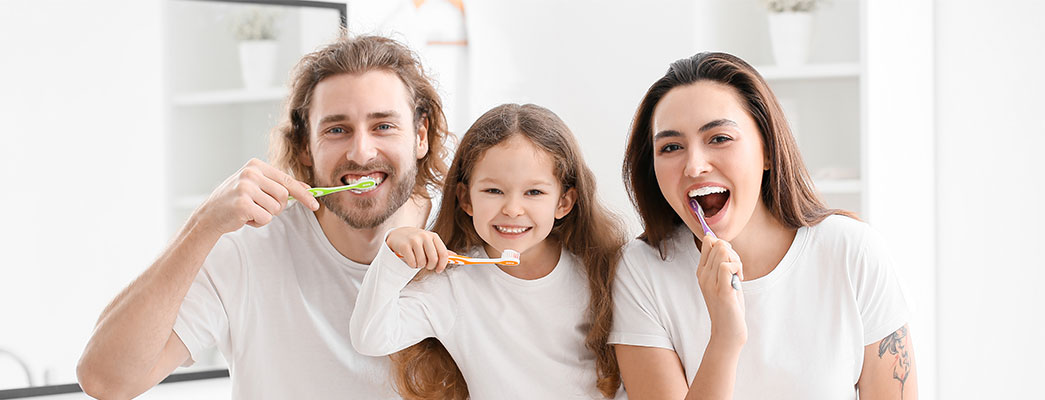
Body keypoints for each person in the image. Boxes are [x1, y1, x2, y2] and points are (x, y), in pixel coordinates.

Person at [76, 35, 451, 399]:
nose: (361, 152)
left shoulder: (465, 247)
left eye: (383, 126)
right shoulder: (246, 252)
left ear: (420, 136)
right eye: (337, 129)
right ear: (305, 146)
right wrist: (202, 224)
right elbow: (106, 381)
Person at [611, 52, 917, 399]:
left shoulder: (852, 252)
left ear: (768, 149)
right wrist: (725, 338)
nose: (694, 166)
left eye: (719, 138)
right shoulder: (642, 271)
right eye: (671, 147)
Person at [349, 103, 626, 399]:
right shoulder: (452, 285)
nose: (512, 209)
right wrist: (394, 255)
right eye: (494, 191)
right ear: (466, 199)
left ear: (564, 202)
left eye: (534, 192)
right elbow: (371, 338)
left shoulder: (597, 272)